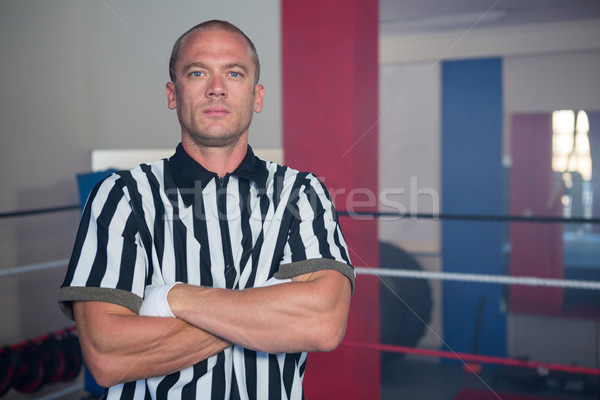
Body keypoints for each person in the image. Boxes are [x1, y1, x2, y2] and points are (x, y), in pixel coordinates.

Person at [58, 20, 354, 399]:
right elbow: (107, 357)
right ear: (173, 93)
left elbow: (323, 323)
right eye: (198, 72)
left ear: (257, 96)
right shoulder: (121, 196)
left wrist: (173, 298)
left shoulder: (303, 194)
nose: (217, 89)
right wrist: (266, 316)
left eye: (234, 72)